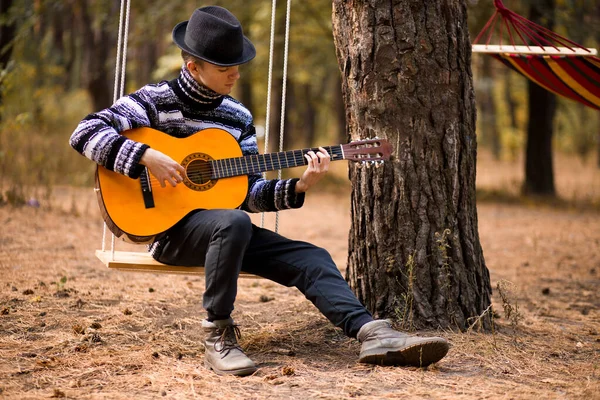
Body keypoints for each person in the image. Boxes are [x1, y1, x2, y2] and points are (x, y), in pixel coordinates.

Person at [70, 5, 450, 376]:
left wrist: (298, 185)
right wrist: (145, 156)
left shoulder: (237, 117)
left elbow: (248, 193)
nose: (235, 74)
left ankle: (372, 334)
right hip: (168, 231)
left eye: (238, 65)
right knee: (233, 223)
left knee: (309, 256)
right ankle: (218, 336)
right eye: (224, 67)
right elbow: (84, 132)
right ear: (193, 67)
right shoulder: (154, 101)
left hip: (224, 230)